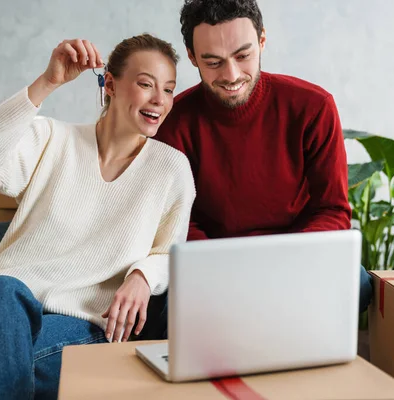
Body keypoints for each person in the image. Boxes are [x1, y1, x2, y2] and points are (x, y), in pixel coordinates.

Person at [0, 34, 195, 400]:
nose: (160, 100)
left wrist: (142, 275)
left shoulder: (171, 169)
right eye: (145, 84)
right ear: (111, 84)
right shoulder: (52, 139)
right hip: (0, 302)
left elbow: (170, 252)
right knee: (0, 289)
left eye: (168, 90)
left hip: (80, 323)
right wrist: (48, 83)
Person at [155, 0, 373, 334]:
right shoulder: (175, 123)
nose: (231, 76)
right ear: (192, 56)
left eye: (243, 56)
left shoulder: (313, 107)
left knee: (357, 282)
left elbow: (332, 210)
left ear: (262, 41)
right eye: (213, 62)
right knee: (165, 305)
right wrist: (229, 271)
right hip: (213, 268)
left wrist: (280, 266)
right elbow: (179, 221)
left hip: (296, 264)